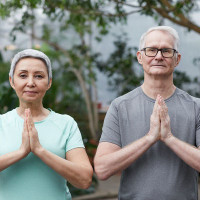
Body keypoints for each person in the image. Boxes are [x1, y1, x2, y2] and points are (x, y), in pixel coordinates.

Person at [94, 26, 200, 200]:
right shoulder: (120, 106)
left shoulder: (196, 107)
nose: (158, 56)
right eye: (151, 50)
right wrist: (150, 138)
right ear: (140, 57)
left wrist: (169, 139)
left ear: (177, 59)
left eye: (166, 51)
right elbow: (102, 169)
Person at [0, 49, 93, 200]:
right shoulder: (1, 123)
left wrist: (39, 150)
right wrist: (21, 152)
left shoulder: (66, 124)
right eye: (23, 75)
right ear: (12, 81)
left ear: (49, 82)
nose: (30, 83)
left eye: (39, 76)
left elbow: (84, 179)